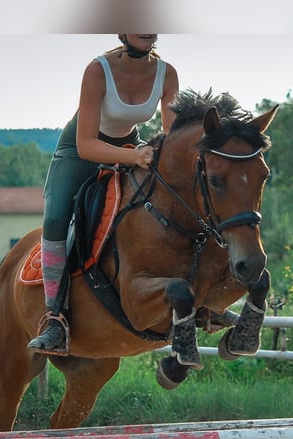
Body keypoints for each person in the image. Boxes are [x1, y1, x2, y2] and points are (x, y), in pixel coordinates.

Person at [27, 34, 179, 355]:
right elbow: (86, 145)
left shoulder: (168, 74)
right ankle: (55, 317)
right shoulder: (97, 70)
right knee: (55, 218)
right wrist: (136, 157)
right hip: (79, 149)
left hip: (128, 146)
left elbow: (171, 135)